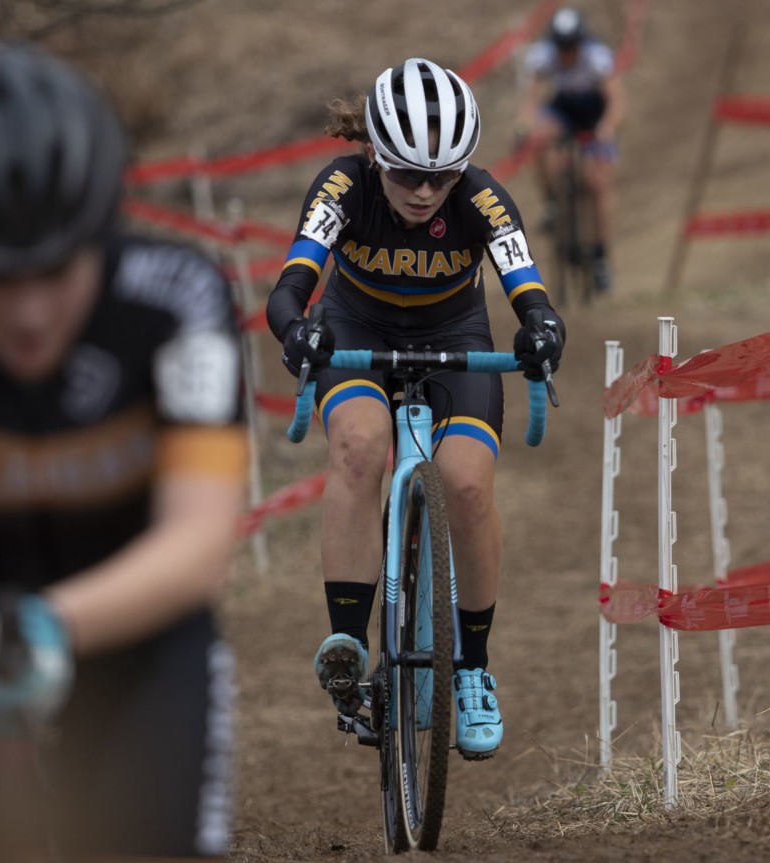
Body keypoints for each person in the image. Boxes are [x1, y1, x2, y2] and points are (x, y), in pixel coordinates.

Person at [0, 42, 247, 862]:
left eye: (56, 269)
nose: (29, 313)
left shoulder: (176, 299)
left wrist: (47, 623)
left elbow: (200, 540)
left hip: (138, 627)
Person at [265, 57, 564, 761]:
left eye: (443, 176)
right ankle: (348, 644)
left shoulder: (483, 198)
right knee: (360, 446)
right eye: (407, 175)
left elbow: (529, 289)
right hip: (358, 332)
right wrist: (297, 329)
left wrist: (542, 327)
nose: (427, 192)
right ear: (374, 154)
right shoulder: (342, 185)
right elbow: (288, 289)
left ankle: (473, 668)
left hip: (455, 338)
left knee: (465, 482)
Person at [518, 5, 625, 293]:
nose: (567, 52)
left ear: (582, 42)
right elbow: (532, 99)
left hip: (594, 113)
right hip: (564, 109)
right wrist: (527, 126)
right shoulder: (543, 56)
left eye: (572, 46)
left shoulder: (597, 58)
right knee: (540, 138)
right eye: (561, 46)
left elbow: (615, 101)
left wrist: (606, 128)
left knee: (597, 182)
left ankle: (601, 256)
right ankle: (552, 200)